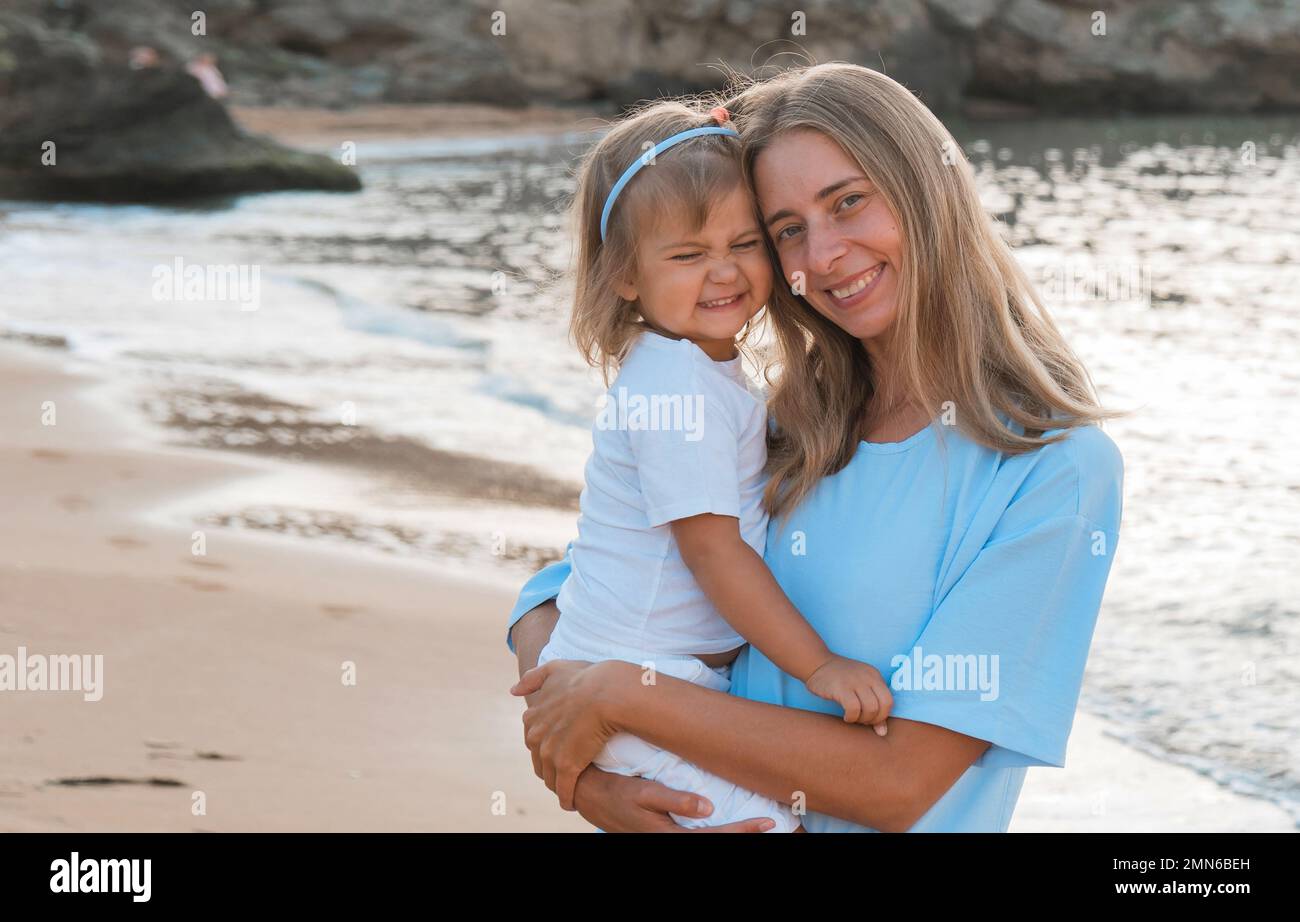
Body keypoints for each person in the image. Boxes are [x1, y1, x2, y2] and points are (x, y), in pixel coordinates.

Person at [508, 62, 1124, 833]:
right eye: (789, 229)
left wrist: (619, 699)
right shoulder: (792, 424)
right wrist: (585, 766)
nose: (825, 254)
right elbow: (574, 582)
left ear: (928, 190)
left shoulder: (1049, 471)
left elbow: (898, 785)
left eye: (850, 202)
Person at [528, 97, 896, 833]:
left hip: (651, 675)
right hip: (635, 676)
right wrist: (817, 667)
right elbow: (713, 552)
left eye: (745, 243)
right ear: (625, 276)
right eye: (688, 255)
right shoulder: (677, 390)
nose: (723, 272)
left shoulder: (697, 371)